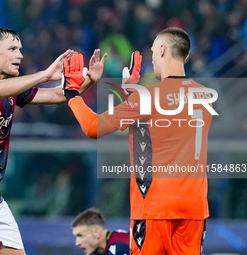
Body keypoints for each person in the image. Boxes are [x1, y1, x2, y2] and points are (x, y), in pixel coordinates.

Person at [0, 26, 106, 255]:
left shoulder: (11, 89)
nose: (20, 55)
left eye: (20, 49)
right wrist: (45, 75)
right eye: (12, 49)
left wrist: (89, 81)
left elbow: (56, 95)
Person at [63, 27, 213, 254]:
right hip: (194, 207)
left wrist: (72, 94)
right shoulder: (204, 96)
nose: (151, 59)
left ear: (162, 50)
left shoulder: (149, 98)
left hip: (155, 206)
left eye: (153, 52)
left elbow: (93, 127)